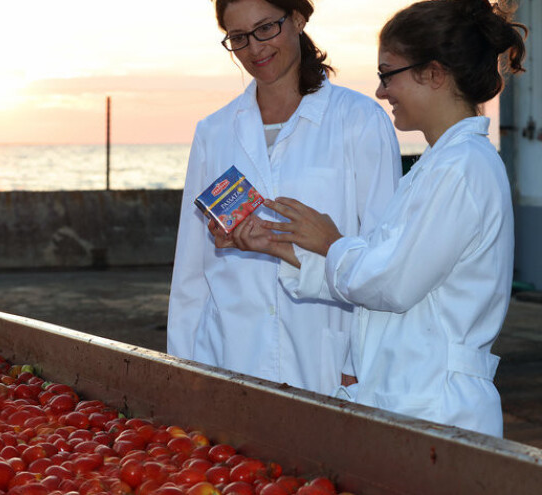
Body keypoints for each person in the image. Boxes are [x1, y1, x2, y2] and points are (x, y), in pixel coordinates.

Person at [238, 0, 526, 436]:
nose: (381, 91)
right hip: (412, 398)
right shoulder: (440, 165)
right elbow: (380, 266)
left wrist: (330, 241)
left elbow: (392, 284)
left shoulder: (462, 168)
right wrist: (285, 246)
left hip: (437, 409)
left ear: (433, 73)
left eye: (387, 74)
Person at [167, 0, 401, 395]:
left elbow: (382, 253)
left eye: (266, 29)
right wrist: (181, 371)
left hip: (326, 359)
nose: (254, 48)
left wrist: (358, 364)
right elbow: (192, 271)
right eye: (238, 37)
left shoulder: (359, 120)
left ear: (297, 18)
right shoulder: (214, 131)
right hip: (227, 355)